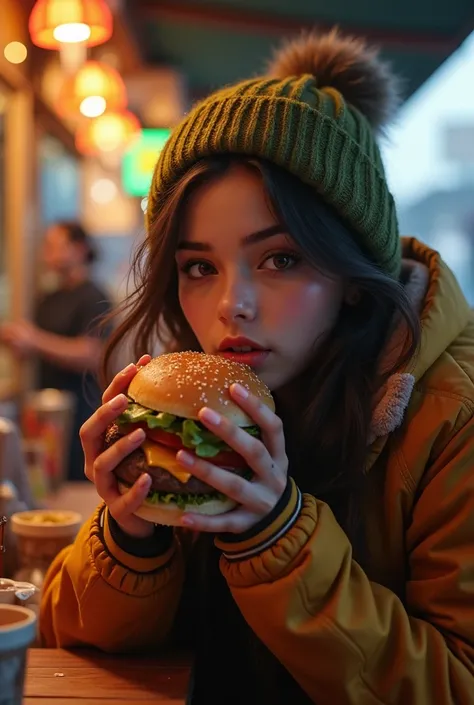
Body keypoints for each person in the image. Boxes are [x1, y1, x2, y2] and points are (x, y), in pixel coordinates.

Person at [39, 30, 474, 704]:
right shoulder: (199, 411)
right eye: (198, 267)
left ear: (355, 270)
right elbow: (70, 644)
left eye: (280, 259)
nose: (229, 305)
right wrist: (130, 535)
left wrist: (275, 530)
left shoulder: (452, 417)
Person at [0, 221, 112, 481]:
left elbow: (90, 354)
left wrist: (33, 339)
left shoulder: (93, 296)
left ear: (80, 249)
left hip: (78, 410)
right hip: (42, 409)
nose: (46, 253)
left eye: (53, 246)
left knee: (74, 481)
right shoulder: (48, 298)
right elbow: (38, 347)